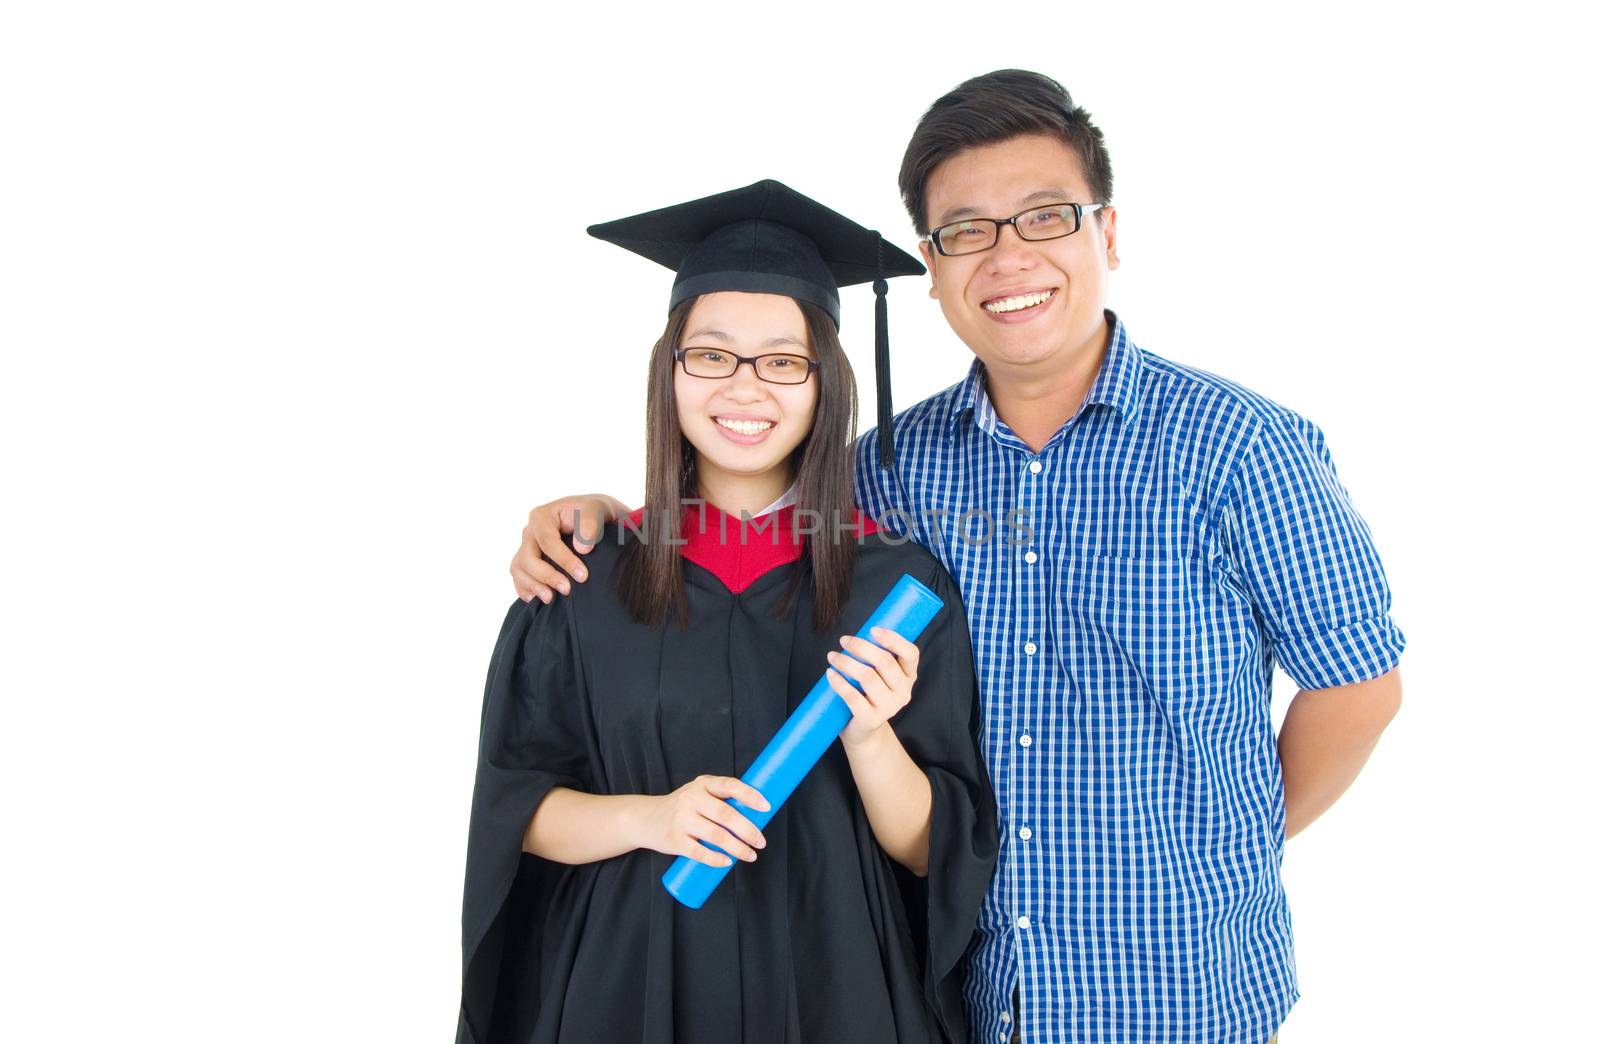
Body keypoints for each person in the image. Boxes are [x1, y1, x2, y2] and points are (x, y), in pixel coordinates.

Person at [509, 72, 1406, 1044]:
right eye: (965, 231)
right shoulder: (897, 464)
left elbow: (1358, 687)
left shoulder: (1242, 451)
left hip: (1174, 989)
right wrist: (606, 514)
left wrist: (1226, 847)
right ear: (931, 268)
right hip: (960, 989)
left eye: (1042, 217)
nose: (1006, 256)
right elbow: (752, 507)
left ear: (1106, 234)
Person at [459, 180, 999, 1044]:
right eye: (710, 355)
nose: (746, 388)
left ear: (826, 384)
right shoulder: (583, 576)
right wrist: (652, 817)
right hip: (631, 984)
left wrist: (868, 733)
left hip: (839, 984)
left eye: (784, 361)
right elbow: (513, 810)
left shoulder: (895, 586)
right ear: (668, 372)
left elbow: (935, 852)